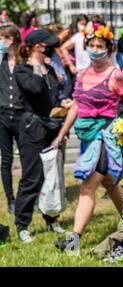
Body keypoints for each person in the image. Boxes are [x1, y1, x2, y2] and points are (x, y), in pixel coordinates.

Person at [53, 22, 123, 251]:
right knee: (111, 185)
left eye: (99, 45)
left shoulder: (116, 75)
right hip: (86, 137)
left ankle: (73, 240)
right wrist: (61, 135)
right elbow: (75, 107)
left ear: (109, 48)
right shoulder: (82, 74)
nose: (94, 49)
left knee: (87, 186)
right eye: (91, 45)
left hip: (105, 138)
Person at [14, 29, 65, 243]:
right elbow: (34, 89)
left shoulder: (50, 69)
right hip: (31, 130)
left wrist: (64, 104)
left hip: (51, 128)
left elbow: (56, 94)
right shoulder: (22, 70)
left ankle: (51, 218)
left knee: (51, 177)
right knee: (32, 178)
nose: (51, 50)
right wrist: (37, 65)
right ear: (37, 47)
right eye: (47, 46)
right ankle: (22, 224)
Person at [0, 25, 23, 214]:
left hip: (21, 115)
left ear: (13, 39)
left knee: (27, 158)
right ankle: (10, 200)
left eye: (4, 38)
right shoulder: (0, 60)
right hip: (3, 116)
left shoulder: (23, 61)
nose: (2, 41)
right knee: (6, 159)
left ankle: (27, 196)